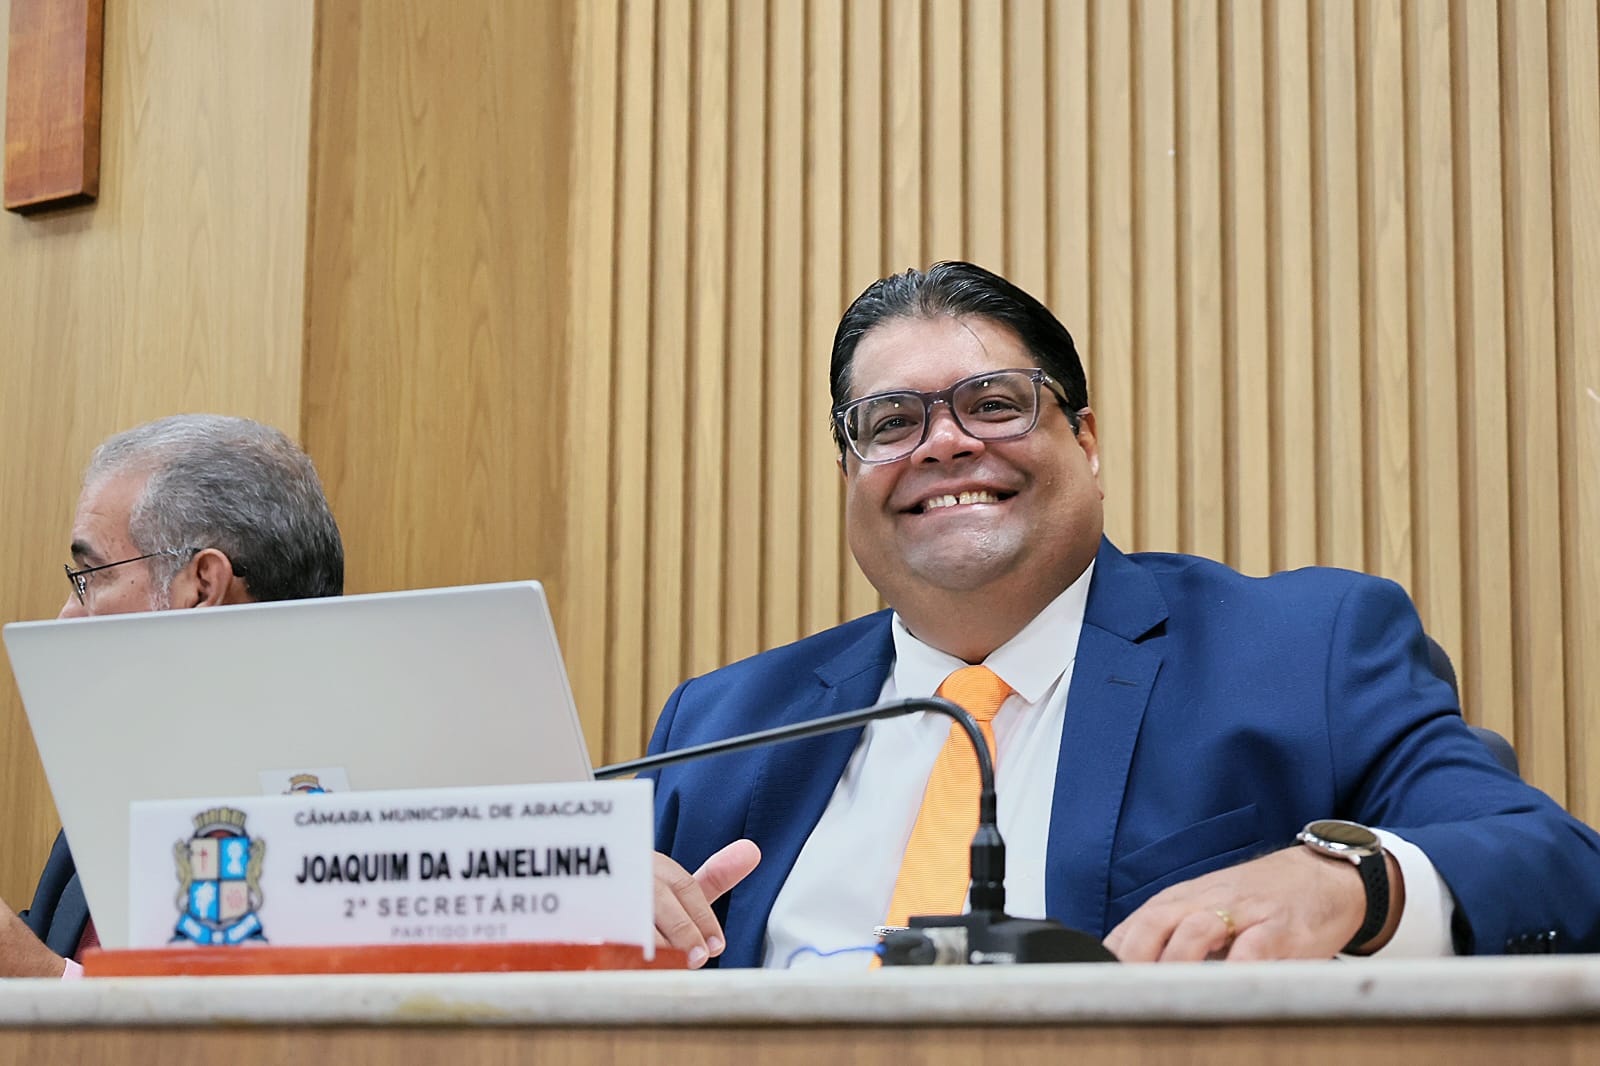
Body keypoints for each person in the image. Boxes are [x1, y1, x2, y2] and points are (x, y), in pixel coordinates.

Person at [648, 261, 1600, 969]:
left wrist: (1349, 884)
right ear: (849, 477)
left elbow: (1553, 866)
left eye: (993, 404)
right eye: (892, 423)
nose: (942, 445)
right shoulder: (721, 726)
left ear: (1087, 442)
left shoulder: (1304, 651)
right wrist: (584, 929)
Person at [0, 414, 344, 977]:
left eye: (92, 574)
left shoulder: (335, 815)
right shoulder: (119, 789)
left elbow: (285, 1023)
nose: (67, 616)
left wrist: (38, 979)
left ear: (202, 587)